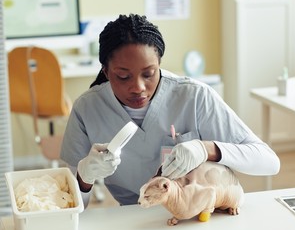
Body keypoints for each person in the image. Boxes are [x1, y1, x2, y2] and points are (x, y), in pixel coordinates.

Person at [60, 13, 280, 206]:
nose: (138, 87)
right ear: (106, 72)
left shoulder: (194, 97)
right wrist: (84, 177)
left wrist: (206, 149)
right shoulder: (86, 109)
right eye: (123, 76)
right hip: (134, 216)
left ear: (159, 66)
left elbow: (269, 162)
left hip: (195, 212)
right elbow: (74, 206)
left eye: (149, 74)